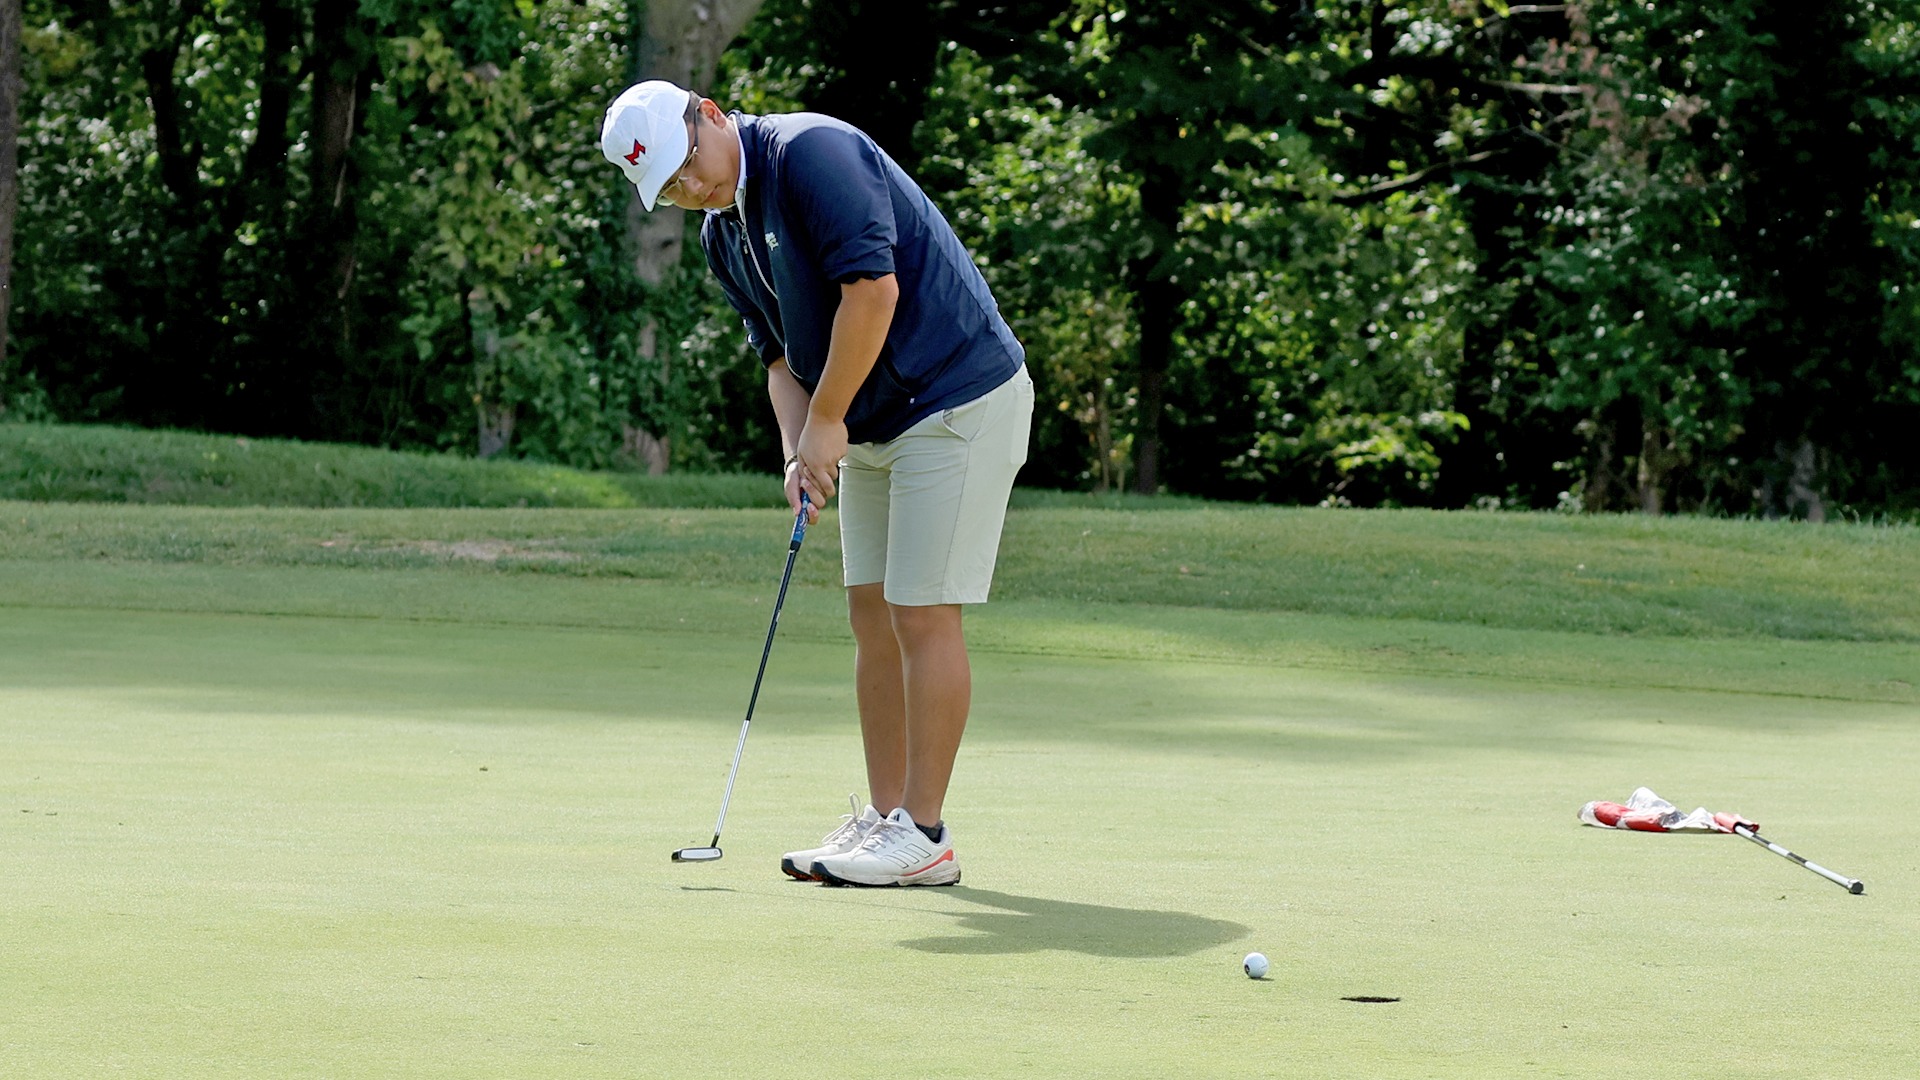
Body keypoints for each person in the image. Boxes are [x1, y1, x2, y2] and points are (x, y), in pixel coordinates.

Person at [600, 81, 1033, 887]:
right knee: (871, 611)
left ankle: (925, 833)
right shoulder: (721, 237)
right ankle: (885, 825)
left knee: (920, 608)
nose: (689, 189)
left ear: (714, 115)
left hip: (956, 395)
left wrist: (828, 423)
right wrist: (799, 449)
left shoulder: (810, 154)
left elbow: (873, 292)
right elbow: (777, 357)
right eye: (667, 188)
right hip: (867, 412)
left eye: (686, 165)